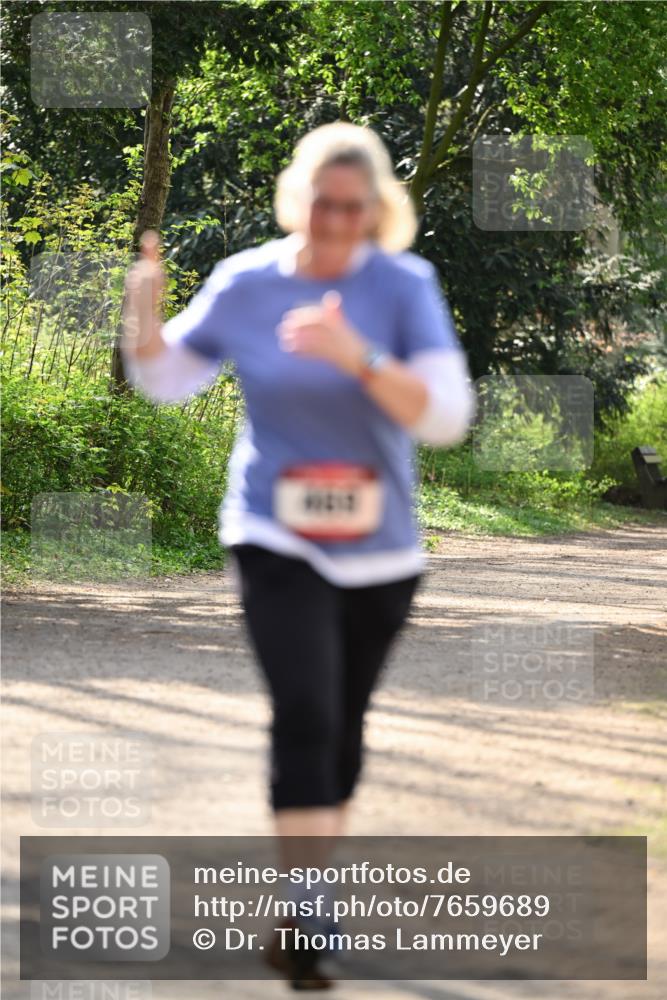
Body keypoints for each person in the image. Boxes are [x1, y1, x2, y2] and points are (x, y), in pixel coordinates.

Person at [122, 120, 476, 989]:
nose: (335, 221)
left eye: (352, 208)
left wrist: (359, 356)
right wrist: (143, 320)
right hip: (273, 532)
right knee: (307, 713)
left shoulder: (403, 285)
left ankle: (303, 902)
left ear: (375, 211)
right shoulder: (247, 282)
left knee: (344, 729)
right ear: (298, 200)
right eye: (323, 204)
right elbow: (167, 380)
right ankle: (310, 911)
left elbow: (444, 417)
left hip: (380, 548)